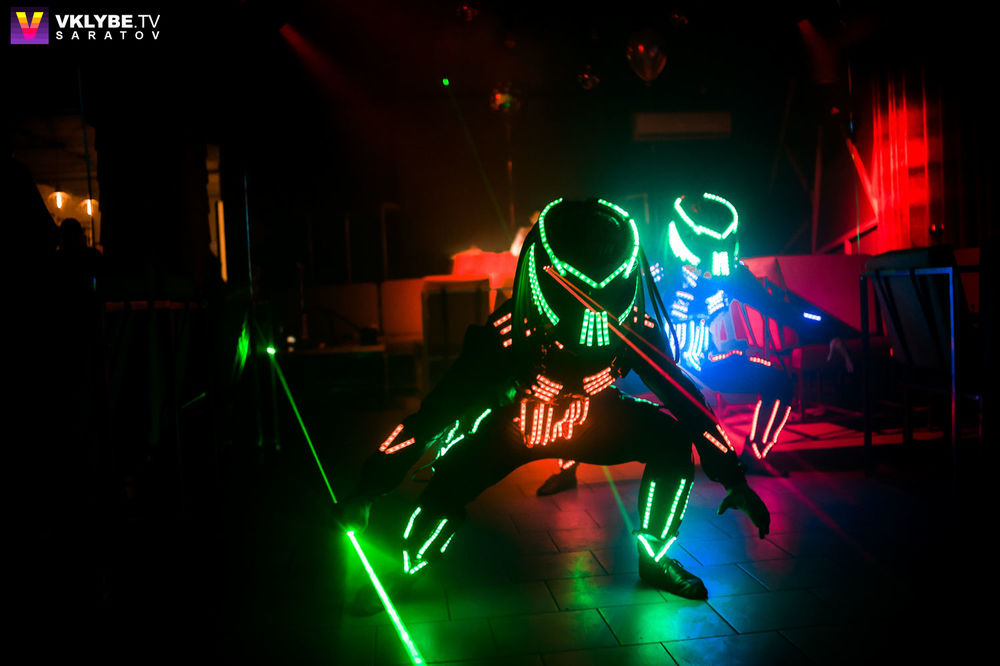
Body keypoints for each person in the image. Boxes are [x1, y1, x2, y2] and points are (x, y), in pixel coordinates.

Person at [337, 198, 769, 612]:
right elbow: (436, 412)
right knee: (449, 480)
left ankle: (655, 558)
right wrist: (370, 487)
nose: (593, 311)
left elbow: (686, 399)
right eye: (577, 289)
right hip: (516, 426)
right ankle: (406, 567)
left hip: (594, 418)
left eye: (607, 290)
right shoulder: (509, 331)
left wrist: (733, 478)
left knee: (671, 439)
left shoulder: (634, 327)